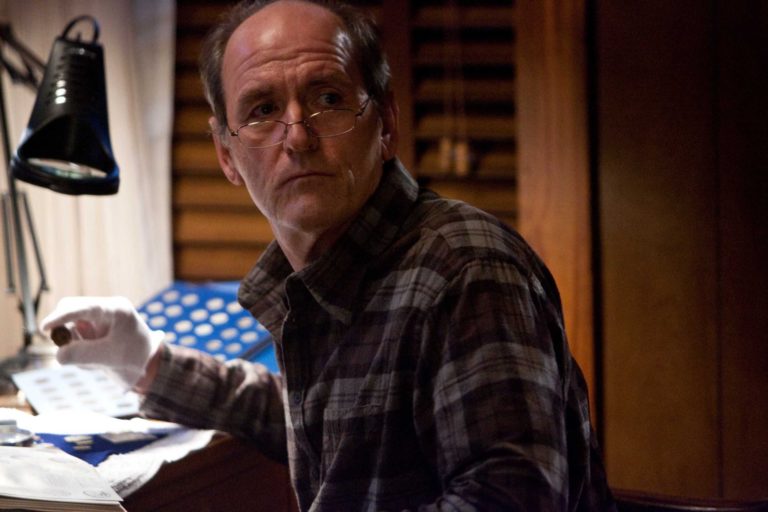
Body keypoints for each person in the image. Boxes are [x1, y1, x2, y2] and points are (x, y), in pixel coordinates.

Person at [41, 0, 616, 510]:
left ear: (386, 122)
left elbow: (511, 498)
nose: (298, 137)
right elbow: (322, 423)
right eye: (262, 109)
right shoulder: (326, 278)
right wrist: (148, 363)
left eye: (329, 98)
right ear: (227, 156)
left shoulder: (465, 269)